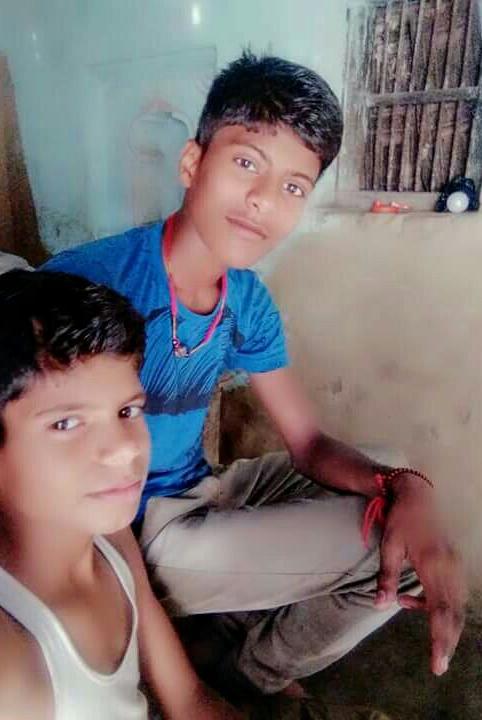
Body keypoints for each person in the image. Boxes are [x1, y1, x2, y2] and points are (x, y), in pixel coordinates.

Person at [42, 52, 467, 697]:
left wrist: (401, 483)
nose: (264, 201)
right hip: (136, 527)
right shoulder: (93, 283)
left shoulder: (246, 299)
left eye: (294, 187)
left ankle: (229, 628)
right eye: (246, 163)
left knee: (403, 489)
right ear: (192, 163)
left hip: (205, 487)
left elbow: (308, 445)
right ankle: (247, 675)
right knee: (400, 549)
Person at [0, 269, 241, 720]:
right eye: (66, 423)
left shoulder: (109, 538)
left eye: (127, 411)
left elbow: (189, 700)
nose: (126, 448)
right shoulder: (13, 666)